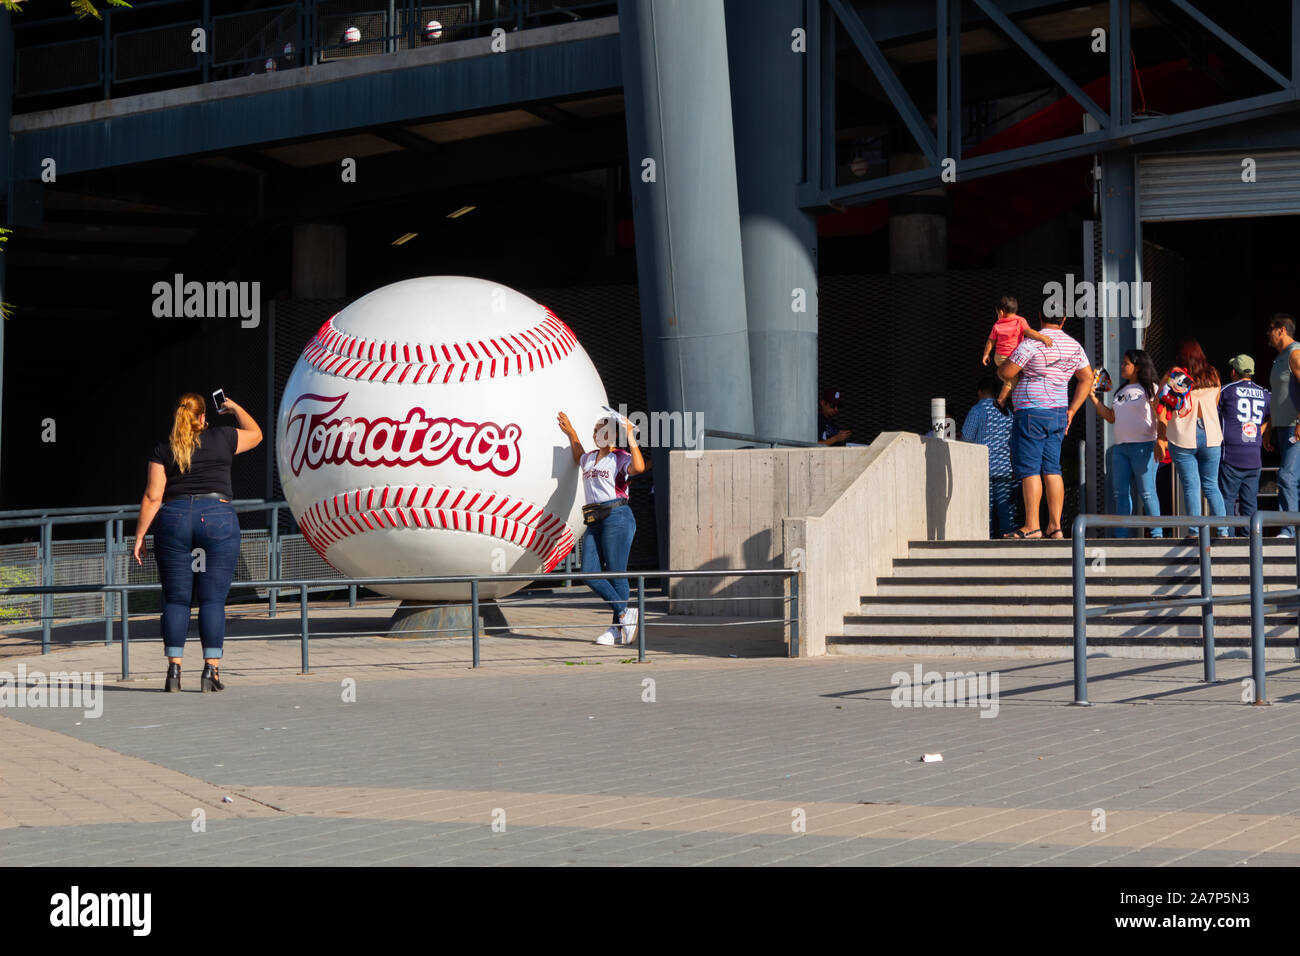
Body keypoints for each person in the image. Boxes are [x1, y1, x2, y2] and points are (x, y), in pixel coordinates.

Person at [132, 393, 263, 692]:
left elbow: (153, 497)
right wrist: (234, 407)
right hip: (217, 517)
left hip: (174, 519)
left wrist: (139, 536)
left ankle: (173, 672)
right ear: (204, 417)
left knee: (176, 600)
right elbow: (256, 435)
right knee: (212, 600)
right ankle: (210, 671)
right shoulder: (223, 437)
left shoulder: (164, 449)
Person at [996, 313, 1092, 539]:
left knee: (1030, 469)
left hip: (1031, 412)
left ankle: (1032, 525)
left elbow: (1007, 372)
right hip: (1058, 412)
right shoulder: (1074, 345)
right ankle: (1055, 526)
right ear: (1064, 319)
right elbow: (1087, 378)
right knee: (1052, 468)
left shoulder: (1031, 343)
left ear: (1039, 317)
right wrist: (1072, 411)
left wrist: (1003, 367)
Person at [558, 409, 647, 645]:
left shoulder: (618, 457)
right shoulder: (589, 458)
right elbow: (578, 455)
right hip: (594, 518)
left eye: (602, 431)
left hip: (617, 515)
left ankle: (618, 628)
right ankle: (623, 614)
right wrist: (572, 433)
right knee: (588, 572)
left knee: (616, 572)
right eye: (595, 431)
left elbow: (638, 468)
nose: (597, 434)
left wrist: (630, 436)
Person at [1088, 350, 1162, 538]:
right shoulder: (1120, 391)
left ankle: (1157, 533)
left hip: (1144, 446)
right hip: (1120, 448)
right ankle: (1121, 535)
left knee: (1147, 492)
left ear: (1137, 366)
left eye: (1126, 363)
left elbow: (1160, 415)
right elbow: (1111, 417)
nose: (1122, 366)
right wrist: (1093, 399)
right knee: (1119, 492)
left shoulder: (1151, 388)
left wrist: (1161, 441)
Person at [1159, 339, 1227, 537]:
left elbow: (1160, 401)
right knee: (1211, 485)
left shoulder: (1175, 374)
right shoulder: (1213, 373)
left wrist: (1161, 436)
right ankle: (1223, 531)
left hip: (1183, 434)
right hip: (1211, 434)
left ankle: (1194, 531)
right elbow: (1215, 402)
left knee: (1191, 485)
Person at [1219, 355, 1270, 537]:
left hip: (1231, 455)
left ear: (1234, 372)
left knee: (1227, 500)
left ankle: (1228, 539)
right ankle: (1251, 541)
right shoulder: (1264, 393)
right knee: (1250, 503)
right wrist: (1262, 430)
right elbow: (1276, 413)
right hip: (1254, 457)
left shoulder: (1225, 390)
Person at [960, 376, 1017, 537]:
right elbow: (1014, 441)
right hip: (1005, 470)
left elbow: (967, 438)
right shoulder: (1007, 412)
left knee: (986, 512)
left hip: (984, 470)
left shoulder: (977, 410)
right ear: (996, 392)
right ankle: (1008, 547)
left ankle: (987, 542)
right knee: (1006, 511)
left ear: (979, 392)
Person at [1266, 313, 1300, 537]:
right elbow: (1278, 396)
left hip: (1294, 426)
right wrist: (1268, 428)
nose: (1267, 334)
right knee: (1291, 479)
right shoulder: (1279, 358)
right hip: (1281, 427)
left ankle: (1289, 530)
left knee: (1286, 477)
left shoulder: (1295, 354)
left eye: (1270, 329)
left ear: (1282, 330)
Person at [981, 295, 1055, 369]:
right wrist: (1042, 337)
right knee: (1014, 377)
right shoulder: (1020, 321)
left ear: (1001, 312)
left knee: (1011, 377)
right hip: (1016, 356)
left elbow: (990, 341)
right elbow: (1029, 332)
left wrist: (986, 354)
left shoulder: (997, 325)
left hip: (1001, 357)